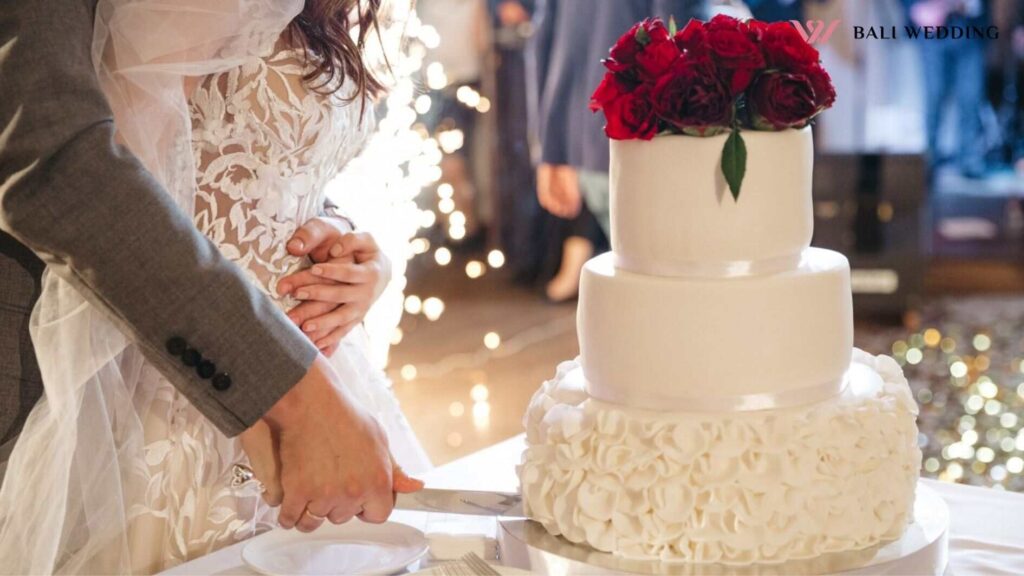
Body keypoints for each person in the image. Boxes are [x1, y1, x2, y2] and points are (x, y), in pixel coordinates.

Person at [0, 0, 428, 572]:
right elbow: (80, 168)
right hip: (180, 386)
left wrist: (346, 246)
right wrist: (292, 394)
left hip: (306, 363)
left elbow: (238, 159)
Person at [528, 0, 707, 301]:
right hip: (650, 136)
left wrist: (551, 150)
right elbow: (682, 32)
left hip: (591, 133)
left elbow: (546, 41)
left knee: (642, 286)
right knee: (665, 290)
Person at [903, 0, 991, 178]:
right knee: (933, 95)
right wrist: (914, 8)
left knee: (971, 97)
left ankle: (969, 159)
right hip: (933, 28)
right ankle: (929, 157)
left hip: (971, 25)